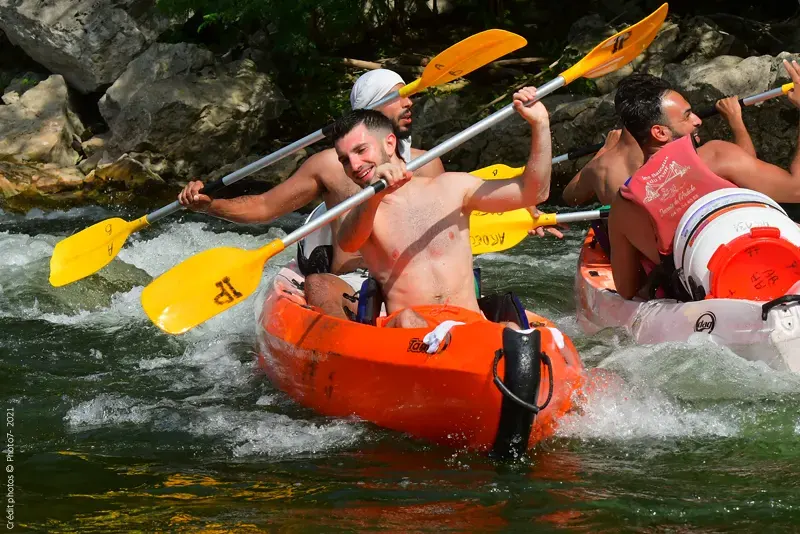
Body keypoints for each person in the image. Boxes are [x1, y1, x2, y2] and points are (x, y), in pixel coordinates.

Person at [177, 69, 445, 319]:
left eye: (409, 95)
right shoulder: (330, 165)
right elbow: (264, 207)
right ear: (370, 109)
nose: (409, 102)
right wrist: (210, 205)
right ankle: (343, 354)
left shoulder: (428, 164)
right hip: (352, 283)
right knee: (318, 286)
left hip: (415, 279)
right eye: (399, 96)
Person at [332, 86, 552, 328]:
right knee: (408, 321)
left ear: (389, 144)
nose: (354, 165)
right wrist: (374, 194)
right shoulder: (358, 209)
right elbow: (349, 242)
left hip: (468, 323)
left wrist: (540, 125)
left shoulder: (451, 187)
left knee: (510, 330)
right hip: (408, 331)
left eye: (361, 150)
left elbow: (533, 192)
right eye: (344, 160)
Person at [607, 62, 800, 300]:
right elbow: (797, 189)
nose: (698, 120)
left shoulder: (623, 207)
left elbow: (627, 292)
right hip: (783, 271)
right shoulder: (717, 155)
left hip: (707, 307)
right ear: (660, 132)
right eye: (688, 116)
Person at [562, 77, 757, 253]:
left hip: (634, 257)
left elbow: (570, 197)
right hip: (688, 247)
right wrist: (736, 121)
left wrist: (603, 150)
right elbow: (751, 175)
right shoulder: (678, 155)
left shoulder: (602, 165)